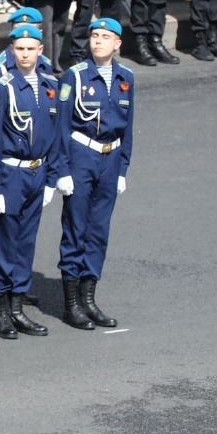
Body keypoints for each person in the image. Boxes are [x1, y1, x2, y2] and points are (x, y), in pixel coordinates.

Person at [0, 25, 66, 340]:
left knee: (26, 241)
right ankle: (1, 308)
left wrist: (51, 177)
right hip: (10, 172)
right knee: (4, 240)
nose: (25, 54)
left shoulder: (50, 86)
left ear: (41, 51)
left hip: (37, 171)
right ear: (12, 51)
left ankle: (18, 305)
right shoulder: (2, 86)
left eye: (31, 49)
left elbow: (55, 134)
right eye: (20, 49)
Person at [57, 18, 132, 332]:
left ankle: (89, 298)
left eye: (106, 37)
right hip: (81, 156)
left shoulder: (126, 78)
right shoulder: (73, 76)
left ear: (117, 44)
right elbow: (61, 126)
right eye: (95, 36)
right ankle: (72, 304)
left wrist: (123, 169)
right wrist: (62, 169)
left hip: (110, 158)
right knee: (76, 228)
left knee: (99, 230)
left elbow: (128, 127)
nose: (98, 41)